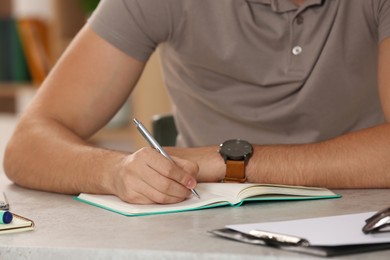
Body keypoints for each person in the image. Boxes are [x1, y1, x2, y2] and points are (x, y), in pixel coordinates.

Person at [4, 0, 390, 205]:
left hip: (363, 215)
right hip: (204, 220)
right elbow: (28, 144)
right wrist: (115, 171)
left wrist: (226, 162)